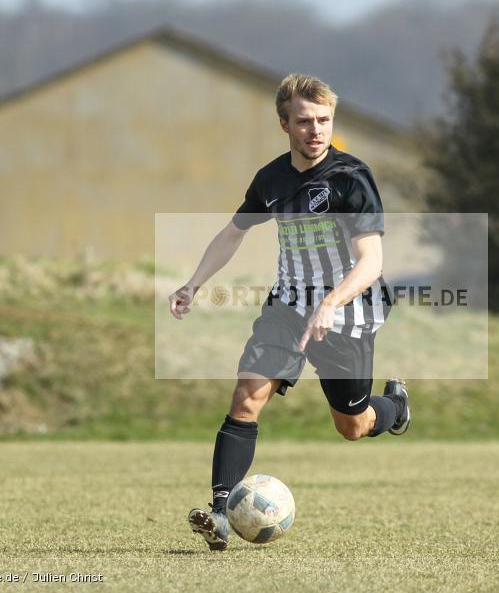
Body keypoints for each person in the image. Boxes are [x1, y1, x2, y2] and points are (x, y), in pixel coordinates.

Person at [170, 73, 410, 552]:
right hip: (288, 307)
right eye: (304, 121)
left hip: (348, 313)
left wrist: (332, 301)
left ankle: (395, 408)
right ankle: (219, 513)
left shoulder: (351, 178)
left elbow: (372, 260)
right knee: (246, 398)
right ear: (285, 124)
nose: (315, 129)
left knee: (352, 425)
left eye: (323, 120)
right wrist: (194, 283)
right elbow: (233, 233)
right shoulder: (272, 179)